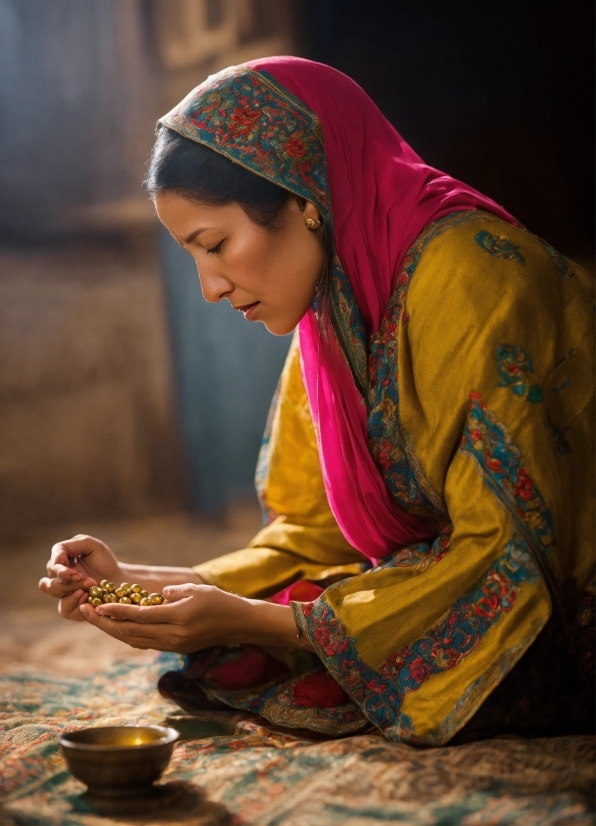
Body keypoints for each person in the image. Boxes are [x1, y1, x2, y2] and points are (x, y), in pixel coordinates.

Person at [39, 57, 594, 745]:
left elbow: (511, 562)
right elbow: (312, 536)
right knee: (271, 635)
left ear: (305, 201)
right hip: (446, 568)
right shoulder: (330, 313)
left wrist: (255, 620)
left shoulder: (470, 276)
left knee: (290, 641)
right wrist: (144, 584)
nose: (210, 287)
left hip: (557, 589)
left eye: (215, 245)